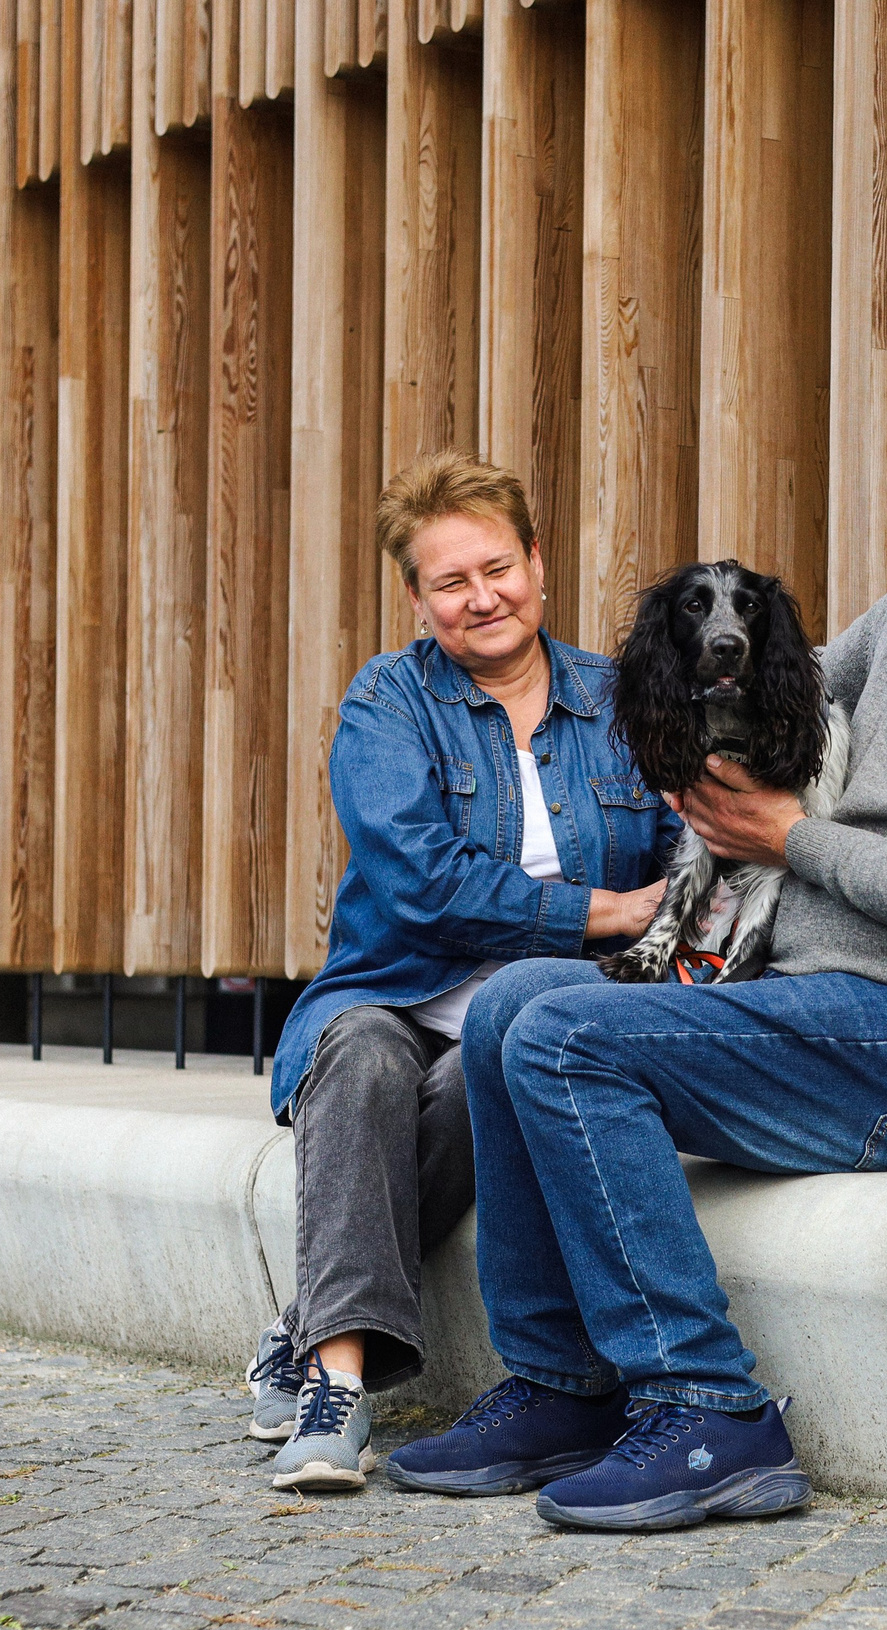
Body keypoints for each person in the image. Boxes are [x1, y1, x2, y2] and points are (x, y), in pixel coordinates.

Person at [386, 363, 887, 1530]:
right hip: (816, 1007)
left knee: (571, 1036)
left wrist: (793, 837)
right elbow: (766, 685)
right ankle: (560, 1384)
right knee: (509, 1004)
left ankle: (710, 1409)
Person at [248, 450, 672, 1490]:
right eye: (451, 581)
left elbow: (685, 843)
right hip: (398, 985)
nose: (482, 597)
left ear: (538, 560)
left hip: (547, 1011)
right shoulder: (387, 702)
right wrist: (603, 910)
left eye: (498, 567)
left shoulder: (621, 701)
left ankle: (305, 1330)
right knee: (361, 1059)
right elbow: (419, 880)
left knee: (498, 1068)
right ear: (416, 596)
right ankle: (338, 1388)